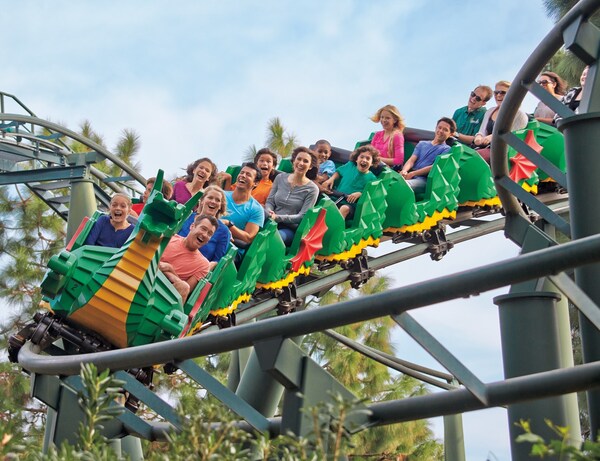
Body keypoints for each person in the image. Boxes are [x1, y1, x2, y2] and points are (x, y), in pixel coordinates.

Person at [265, 147, 319, 245]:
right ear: (293, 161)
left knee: (272, 239)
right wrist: (269, 211)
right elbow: (270, 201)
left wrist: (277, 217)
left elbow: (302, 216)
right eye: (299, 159)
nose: (301, 163)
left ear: (310, 166)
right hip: (269, 221)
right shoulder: (280, 178)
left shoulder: (312, 189)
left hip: (289, 228)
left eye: (305, 161)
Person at [159, 214, 217, 301]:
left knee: (184, 287)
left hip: (166, 292)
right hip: (147, 274)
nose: (205, 235)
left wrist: (170, 269)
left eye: (209, 234)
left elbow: (185, 289)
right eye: (203, 229)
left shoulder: (203, 264)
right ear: (192, 226)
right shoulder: (171, 238)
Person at [473, 80, 528, 162]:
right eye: (496, 92)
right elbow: (482, 131)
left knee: (476, 158)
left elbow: (512, 136)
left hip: (502, 152)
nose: (498, 95)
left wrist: (492, 137)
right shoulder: (490, 111)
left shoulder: (519, 114)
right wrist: (479, 137)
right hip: (484, 147)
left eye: (503, 93)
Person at [400, 117, 455, 195]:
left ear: (451, 134)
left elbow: (434, 166)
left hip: (424, 180)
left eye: (445, 130)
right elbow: (412, 160)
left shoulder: (447, 149)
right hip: (411, 174)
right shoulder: (422, 144)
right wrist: (404, 170)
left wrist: (413, 174)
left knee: (404, 185)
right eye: (439, 128)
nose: (441, 131)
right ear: (435, 128)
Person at [178, 185, 231, 266]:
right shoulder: (187, 216)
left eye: (217, 200)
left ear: (220, 206)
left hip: (194, 269)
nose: (213, 202)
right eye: (210, 197)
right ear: (202, 200)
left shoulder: (224, 231)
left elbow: (217, 261)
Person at [322, 145, 379, 219]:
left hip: (351, 205)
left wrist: (360, 194)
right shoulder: (350, 166)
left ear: (372, 163)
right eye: (362, 157)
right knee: (323, 202)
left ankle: (335, 228)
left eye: (368, 158)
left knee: (344, 208)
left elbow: (370, 194)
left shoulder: (372, 178)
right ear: (356, 159)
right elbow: (339, 171)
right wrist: (331, 179)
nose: (364, 160)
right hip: (336, 198)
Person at [221, 162, 265, 246]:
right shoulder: (222, 195)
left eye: (248, 174)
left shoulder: (256, 209)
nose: (243, 176)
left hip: (230, 246)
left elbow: (248, 237)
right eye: (241, 173)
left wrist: (228, 224)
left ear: (255, 183)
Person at [370, 104, 405, 169]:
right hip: (374, 165)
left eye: (387, 118)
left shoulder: (397, 136)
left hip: (388, 170)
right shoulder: (377, 134)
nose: (383, 120)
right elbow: (370, 152)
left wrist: (378, 159)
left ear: (394, 120)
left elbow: (399, 161)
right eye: (382, 117)